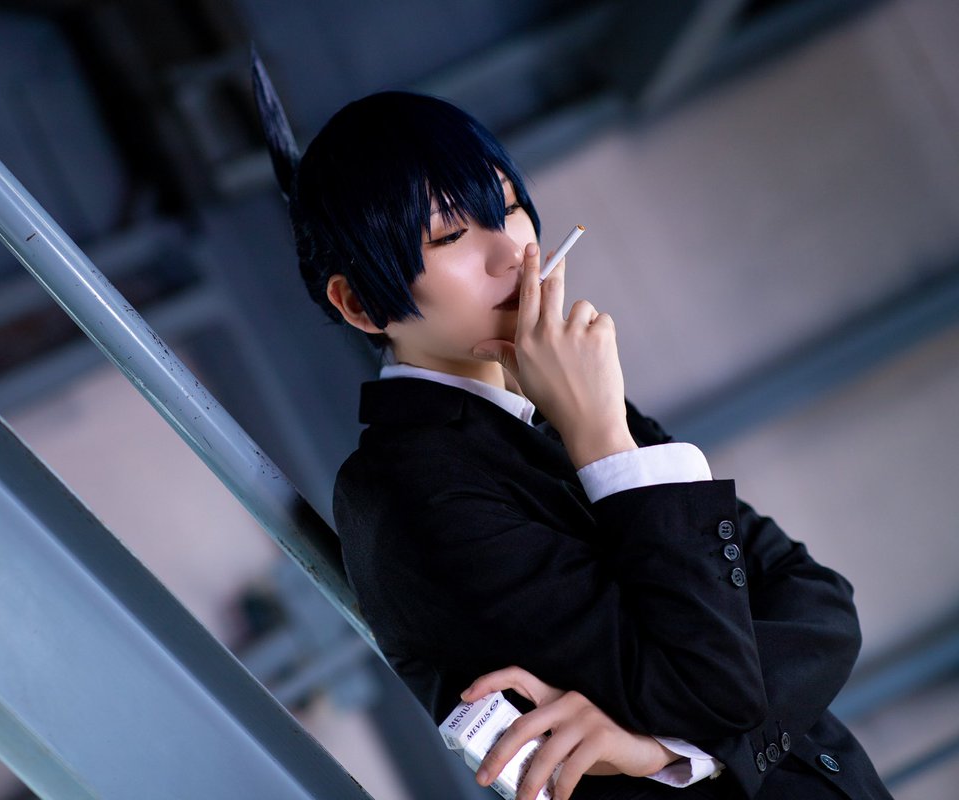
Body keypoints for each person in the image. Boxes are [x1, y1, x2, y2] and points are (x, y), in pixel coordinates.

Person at [251, 51, 892, 800]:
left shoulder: (559, 401)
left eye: (507, 207)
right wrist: (602, 438)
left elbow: (821, 603)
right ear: (360, 305)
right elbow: (712, 688)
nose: (511, 252)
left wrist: (660, 750)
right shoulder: (405, 491)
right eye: (450, 237)